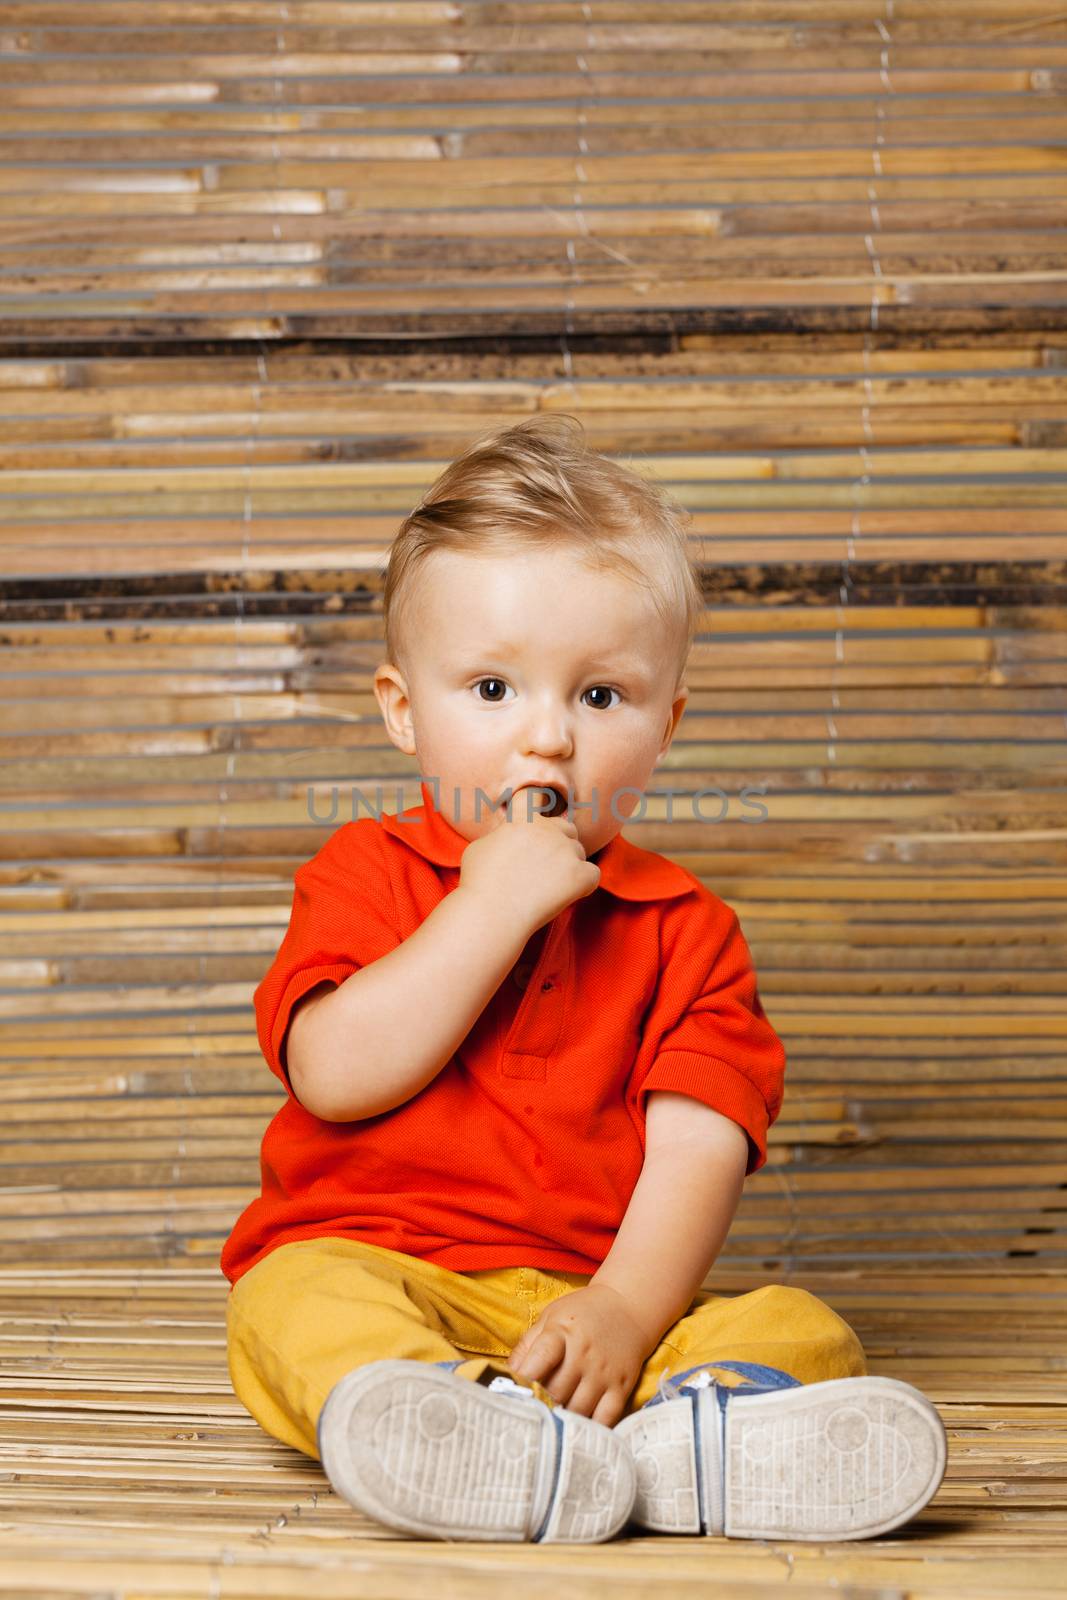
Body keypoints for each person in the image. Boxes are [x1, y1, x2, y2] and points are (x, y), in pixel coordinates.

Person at [220, 414, 946, 1545]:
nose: (546, 739)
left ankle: (687, 1441)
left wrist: (620, 1308)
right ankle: (465, 1422)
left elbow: (695, 1149)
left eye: (600, 697)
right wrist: (489, 906)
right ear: (404, 711)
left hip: (599, 1295)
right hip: (385, 1264)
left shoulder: (689, 931)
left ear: (665, 723)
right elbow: (333, 1075)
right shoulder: (361, 873)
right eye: (493, 689)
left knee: (802, 1327)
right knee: (287, 1305)